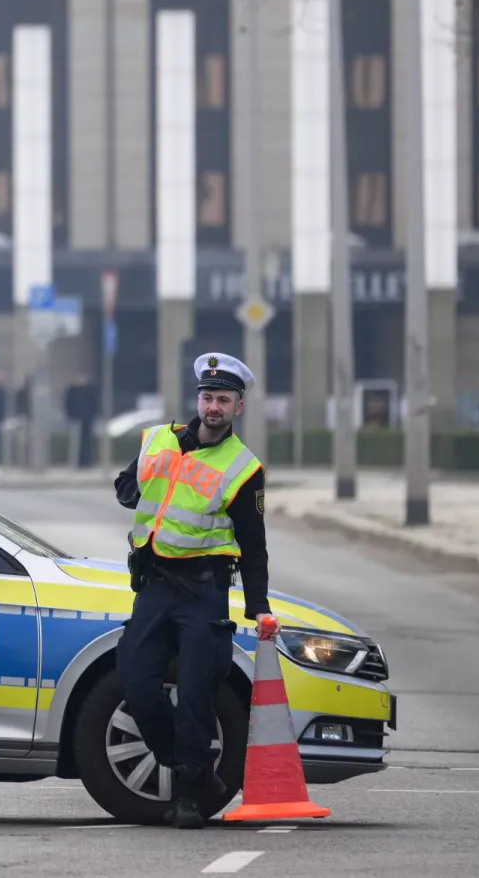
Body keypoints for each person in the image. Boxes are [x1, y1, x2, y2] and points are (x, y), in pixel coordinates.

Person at [111, 352, 272, 830]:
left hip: (204, 590)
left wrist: (259, 606)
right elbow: (126, 487)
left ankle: (187, 793)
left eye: (224, 399)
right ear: (197, 399)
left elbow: (254, 544)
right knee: (137, 683)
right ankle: (197, 773)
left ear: (237, 407)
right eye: (208, 397)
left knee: (198, 693)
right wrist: (147, 483)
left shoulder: (243, 468)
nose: (213, 407)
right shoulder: (160, 440)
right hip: (155, 584)